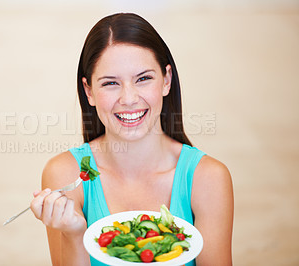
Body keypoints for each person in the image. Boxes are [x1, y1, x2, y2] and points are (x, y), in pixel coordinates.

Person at [30, 13, 233, 266]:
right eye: (111, 83)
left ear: (166, 81)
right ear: (89, 91)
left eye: (143, 78)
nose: (128, 99)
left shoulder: (208, 178)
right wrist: (73, 234)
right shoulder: (65, 174)